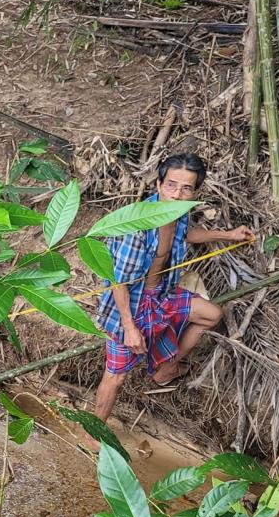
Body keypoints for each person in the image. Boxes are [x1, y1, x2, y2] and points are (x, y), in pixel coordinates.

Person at [92, 153, 253, 423]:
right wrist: (130, 328)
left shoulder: (177, 214)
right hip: (128, 303)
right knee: (117, 375)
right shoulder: (136, 225)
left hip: (162, 293)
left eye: (186, 188)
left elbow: (187, 235)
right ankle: (92, 430)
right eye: (171, 185)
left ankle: (166, 368)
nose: (177, 194)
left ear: (194, 192)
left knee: (211, 315)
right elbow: (118, 280)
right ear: (158, 184)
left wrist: (228, 235)